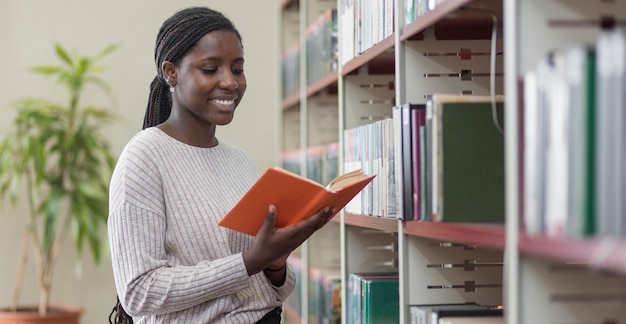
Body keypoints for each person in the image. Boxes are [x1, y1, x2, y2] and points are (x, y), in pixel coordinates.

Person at [107, 7, 334, 324]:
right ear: (171, 72)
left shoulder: (239, 161)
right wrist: (249, 262)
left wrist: (275, 264)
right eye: (211, 69)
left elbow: (266, 292)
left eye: (237, 69)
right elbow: (139, 292)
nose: (230, 82)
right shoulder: (144, 158)